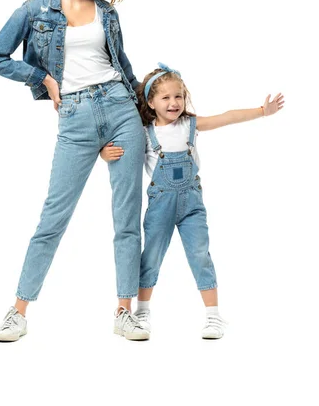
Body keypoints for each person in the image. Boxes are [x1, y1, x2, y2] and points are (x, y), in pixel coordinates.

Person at [0, 0, 150, 342]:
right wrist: (42, 79)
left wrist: (147, 104)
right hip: (75, 118)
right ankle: (18, 311)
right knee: (53, 218)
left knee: (127, 218)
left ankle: (124, 311)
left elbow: (122, 65)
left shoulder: (108, 13)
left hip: (119, 109)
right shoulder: (33, 10)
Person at [100, 62, 285, 339]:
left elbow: (227, 117)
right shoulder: (144, 132)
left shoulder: (191, 124)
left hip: (192, 206)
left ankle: (213, 317)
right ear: (151, 102)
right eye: (166, 97)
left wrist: (262, 112)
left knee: (200, 254)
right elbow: (115, 146)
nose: (174, 102)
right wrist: (104, 153)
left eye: (179, 96)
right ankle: (142, 312)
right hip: (160, 205)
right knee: (150, 258)